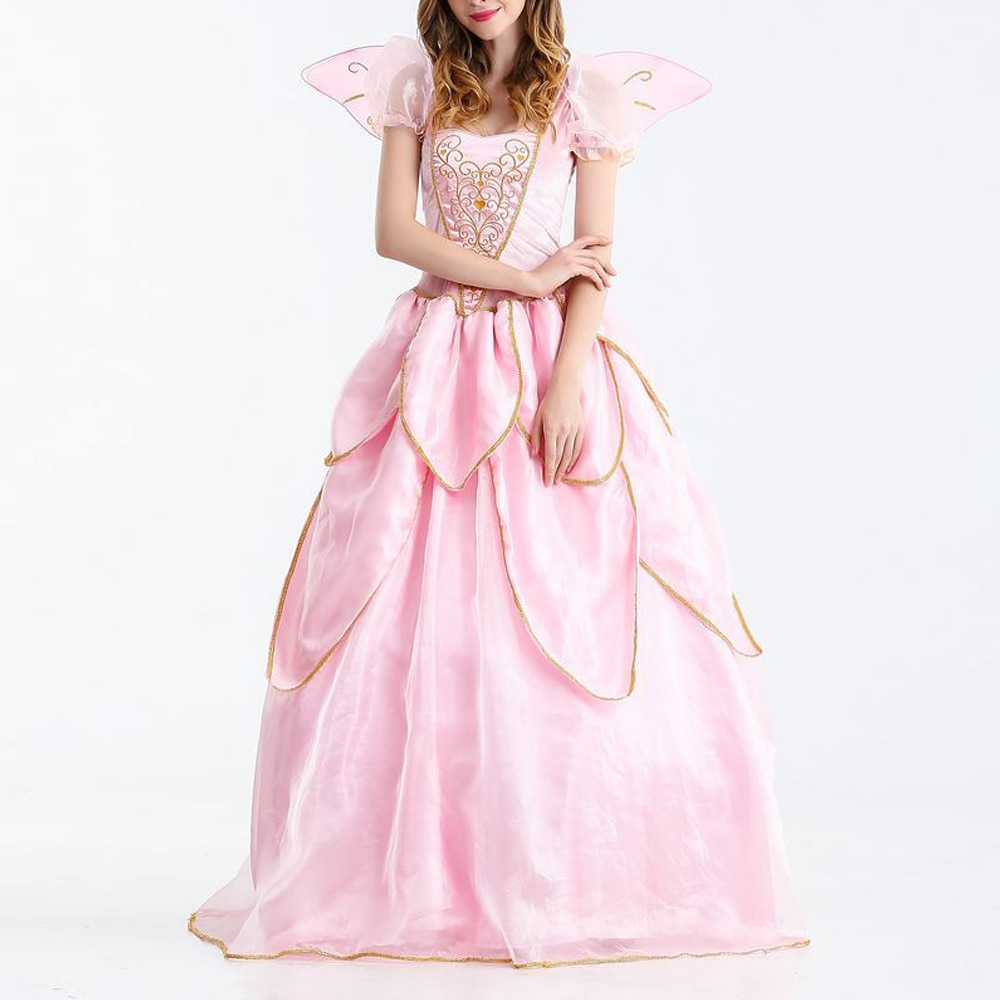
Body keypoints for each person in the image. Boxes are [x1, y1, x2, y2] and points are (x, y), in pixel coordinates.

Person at [187, 0, 810, 969]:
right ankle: (419, 875)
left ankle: (561, 869)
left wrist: (568, 384)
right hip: (438, 357)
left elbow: (593, 264)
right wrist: (519, 279)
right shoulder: (416, 83)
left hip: (546, 361)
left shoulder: (584, 94)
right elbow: (394, 232)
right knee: (410, 598)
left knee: (559, 599)